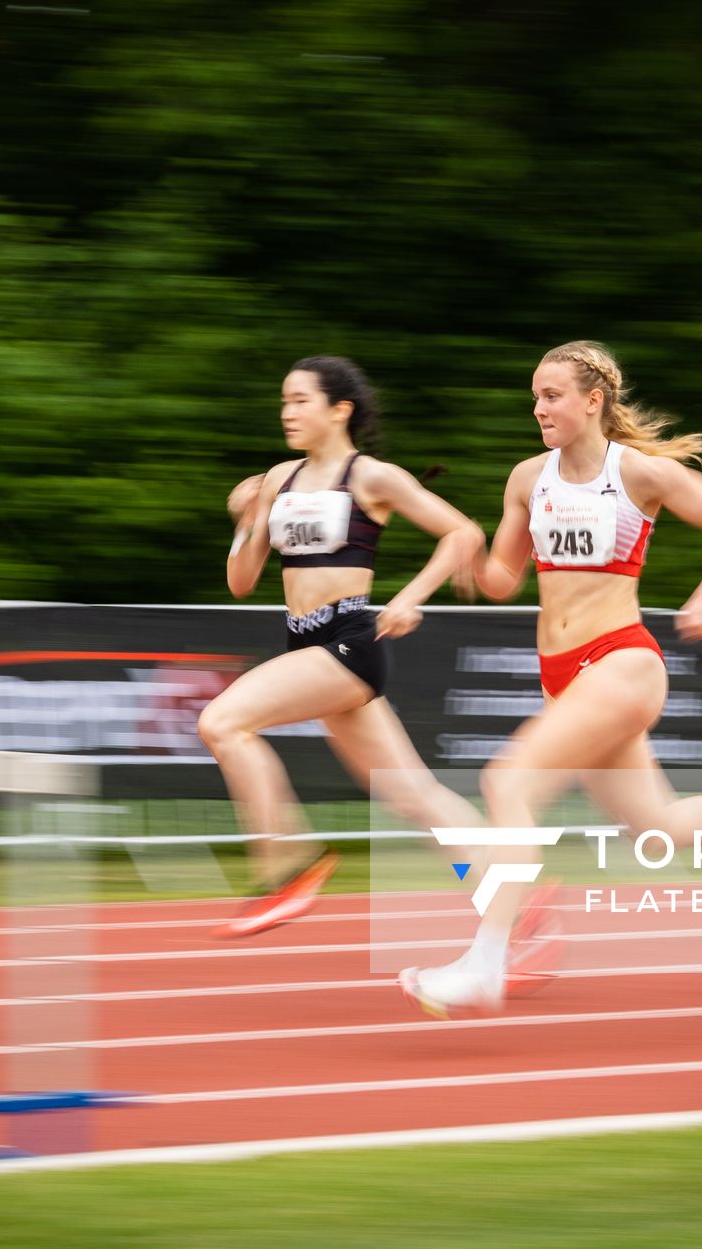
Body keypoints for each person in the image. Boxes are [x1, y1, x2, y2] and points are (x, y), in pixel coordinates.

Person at [399, 340, 702, 1017]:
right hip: (562, 675)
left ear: (593, 400)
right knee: (657, 828)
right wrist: (466, 552)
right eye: (534, 397)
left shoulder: (637, 473)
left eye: (552, 395)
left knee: (506, 781)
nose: (539, 408)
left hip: (622, 661)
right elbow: (501, 581)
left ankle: (488, 961)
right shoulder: (527, 479)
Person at [202, 355, 489, 936]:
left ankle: (286, 867)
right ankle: (511, 900)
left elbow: (463, 532)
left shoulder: (370, 477)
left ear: (340, 410)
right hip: (306, 646)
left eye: (301, 400)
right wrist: (248, 519)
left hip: (350, 643)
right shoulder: (279, 480)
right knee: (412, 795)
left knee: (222, 723)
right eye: (284, 401)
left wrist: (410, 598)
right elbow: (240, 582)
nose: (288, 412)